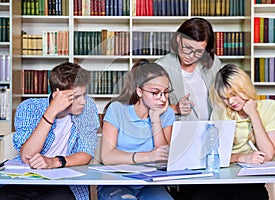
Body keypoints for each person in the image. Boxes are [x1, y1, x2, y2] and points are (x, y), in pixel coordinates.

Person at [0, 62, 100, 200]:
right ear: (56, 95)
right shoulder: (29, 107)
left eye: (84, 94)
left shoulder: (87, 109)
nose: (83, 101)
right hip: (25, 179)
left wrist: (53, 162)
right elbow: (27, 155)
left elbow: (86, 154)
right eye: (76, 96)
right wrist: (51, 111)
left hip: (62, 182)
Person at [190, 64, 275, 200]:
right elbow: (212, 155)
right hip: (220, 178)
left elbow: (268, 154)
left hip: (249, 181)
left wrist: (253, 114)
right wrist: (242, 157)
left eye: (234, 94)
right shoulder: (220, 111)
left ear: (244, 88)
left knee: (252, 196)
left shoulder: (270, 107)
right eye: (225, 98)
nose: (231, 101)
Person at [97, 61, 175, 200]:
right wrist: (147, 156)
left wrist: (155, 118)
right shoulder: (117, 109)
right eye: (155, 93)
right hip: (116, 182)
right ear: (139, 91)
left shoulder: (167, 113)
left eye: (166, 92)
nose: (163, 99)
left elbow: (164, 158)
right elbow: (107, 156)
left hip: (150, 184)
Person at [155, 17, 222, 121]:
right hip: (179, 134)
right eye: (187, 48)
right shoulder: (160, 68)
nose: (191, 55)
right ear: (178, 39)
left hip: (211, 132)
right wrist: (175, 109)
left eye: (199, 51)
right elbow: (147, 109)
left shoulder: (214, 63)